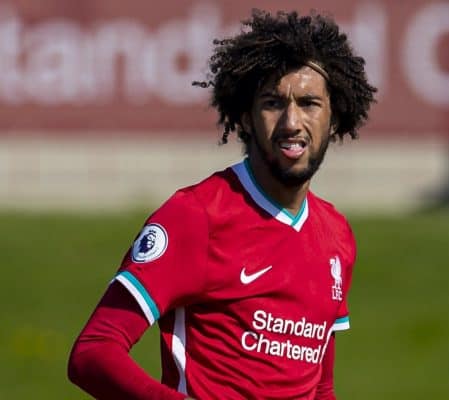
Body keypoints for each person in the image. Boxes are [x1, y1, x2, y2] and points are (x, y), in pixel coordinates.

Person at [68, 9, 376, 400]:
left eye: (310, 103)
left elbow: (321, 387)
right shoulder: (196, 216)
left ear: (335, 118)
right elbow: (94, 351)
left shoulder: (336, 236)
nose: (292, 122)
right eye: (272, 103)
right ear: (246, 118)